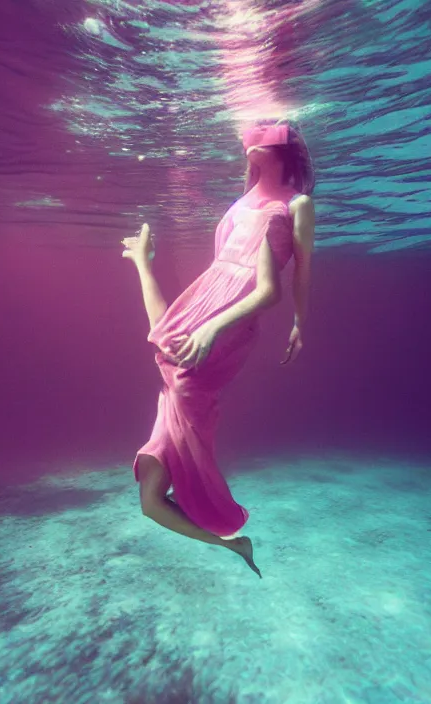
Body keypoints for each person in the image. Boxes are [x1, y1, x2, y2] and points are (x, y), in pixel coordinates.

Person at [122, 119, 315, 577]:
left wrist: (298, 321)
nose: (250, 145)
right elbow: (187, 306)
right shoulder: (241, 205)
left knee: (181, 376)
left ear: (282, 152)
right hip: (206, 305)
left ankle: (226, 530)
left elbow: (282, 283)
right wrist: (143, 264)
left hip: (231, 323)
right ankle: (234, 544)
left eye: (263, 141)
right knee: (151, 502)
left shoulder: (295, 205)